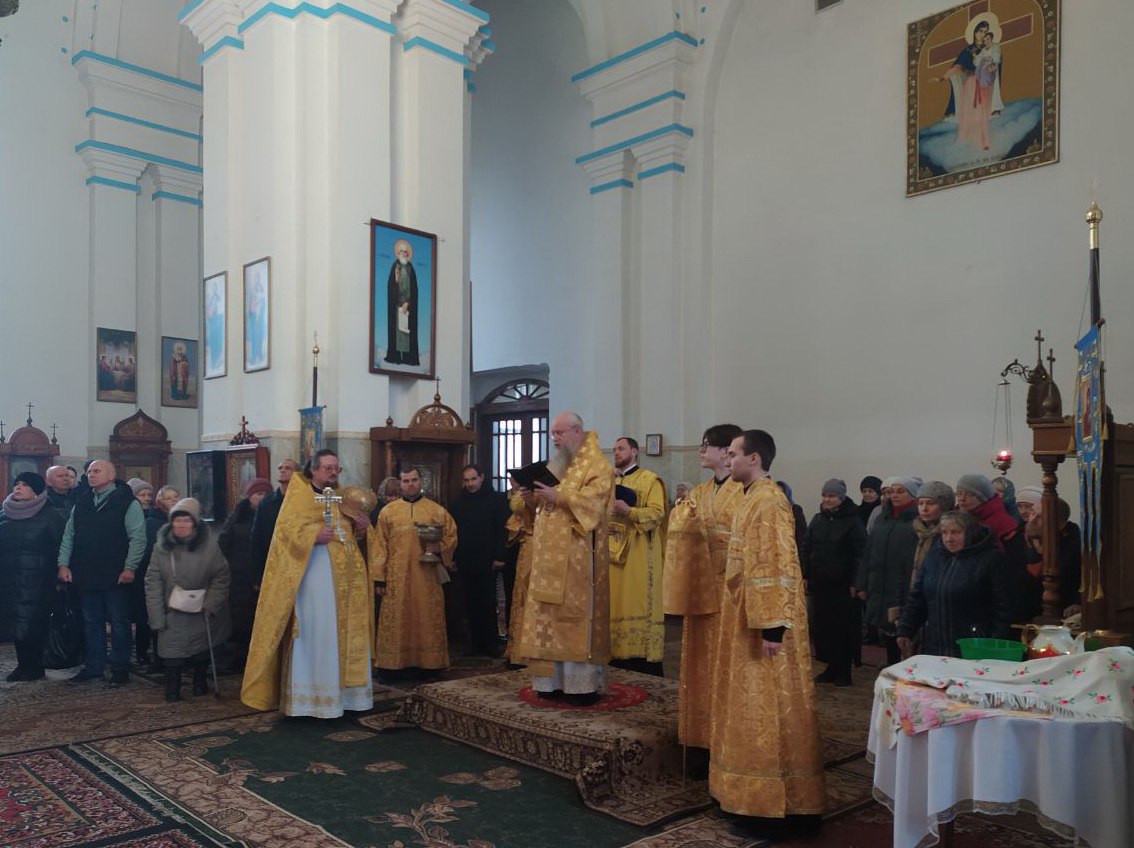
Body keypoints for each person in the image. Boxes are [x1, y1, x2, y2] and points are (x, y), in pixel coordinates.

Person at [711, 430, 824, 836]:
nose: (728, 458)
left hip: (765, 624)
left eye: (734, 452)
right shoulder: (749, 496)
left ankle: (773, 804)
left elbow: (776, 564)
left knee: (768, 708)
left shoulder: (770, 501)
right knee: (746, 708)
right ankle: (743, 795)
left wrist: (773, 627)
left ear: (754, 458)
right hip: (743, 618)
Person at [241, 450, 373, 717]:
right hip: (312, 580)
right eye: (327, 468)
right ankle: (310, 703)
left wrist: (362, 527)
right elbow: (285, 534)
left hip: (345, 583)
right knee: (316, 633)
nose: (333, 473)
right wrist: (312, 535)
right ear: (314, 470)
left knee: (341, 633)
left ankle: (345, 699)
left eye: (336, 468)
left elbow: (351, 535)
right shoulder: (298, 496)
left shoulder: (344, 497)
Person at [513, 411, 615, 705]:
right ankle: (549, 682)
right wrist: (531, 497)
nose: (554, 439)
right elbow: (542, 510)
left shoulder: (597, 465)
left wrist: (561, 497)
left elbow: (596, 505)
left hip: (578, 559)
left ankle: (579, 686)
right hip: (546, 558)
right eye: (553, 434)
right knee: (547, 620)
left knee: (573, 620)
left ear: (576, 431)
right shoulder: (559, 464)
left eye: (559, 433)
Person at [662, 423, 743, 749]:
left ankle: (729, 739)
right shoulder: (700, 492)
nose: (700, 451)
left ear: (726, 452)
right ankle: (700, 738)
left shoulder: (746, 492)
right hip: (701, 592)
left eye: (705, 445)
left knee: (729, 667)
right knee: (700, 666)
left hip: (733, 593)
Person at [56, 460, 147, 687]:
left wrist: (130, 567)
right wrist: (63, 564)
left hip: (116, 573)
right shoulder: (83, 500)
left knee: (119, 623)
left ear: (112, 474)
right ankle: (94, 666)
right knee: (91, 622)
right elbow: (69, 535)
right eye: (88, 472)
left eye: (96, 471)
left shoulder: (127, 502)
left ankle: (120, 668)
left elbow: (138, 538)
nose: (91, 475)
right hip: (86, 572)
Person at [370, 467, 457, 679]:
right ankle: (392, 666)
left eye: (414, 480)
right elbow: (379, 546)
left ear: (421, 482)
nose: (410, 484)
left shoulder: (436, 511)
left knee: (426, 616)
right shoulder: (388, 512)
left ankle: (429, 664)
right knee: (397, 618)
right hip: (396, 576)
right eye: (406, 480)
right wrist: (379, 578)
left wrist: (440, 548)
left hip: (426, 576)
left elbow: (451, 536)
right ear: (400, 483)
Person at [145, 498, 231, 701]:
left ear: (195, 522)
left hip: (201, 606)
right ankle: (172, 689)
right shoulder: (161, 548)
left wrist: (211, 603)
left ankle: (199, 683)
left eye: (186, 520)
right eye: (177, 520)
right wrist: (156, 615)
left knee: (201, 647)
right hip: (171, 607)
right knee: (172, 650)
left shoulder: (210, 547)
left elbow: (221, 576)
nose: (181, 525)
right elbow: (152, 581)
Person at [896, 510, 1012, 659]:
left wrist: (995, 643)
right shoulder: (934, 557)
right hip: (935, 644)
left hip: (974, 645)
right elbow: (918, 597)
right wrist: (905, 629)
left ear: (970, 533)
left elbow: (1003, 606)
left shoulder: (990, 559)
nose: (949, 539)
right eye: (944, 533)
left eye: (956, 532)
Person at [608, 436, 667, 676]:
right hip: (611, 554)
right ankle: (615, 659)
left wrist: (629, 511)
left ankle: (641, 661)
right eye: (614, 450)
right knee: (614, 603)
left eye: (621, 448)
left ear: (635, 451)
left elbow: (657, 514)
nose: (617, 452)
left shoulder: (650, 480)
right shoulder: (609, 481)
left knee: (636, 601)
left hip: (638, 555)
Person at [0, 472, 65, 681]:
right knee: (16, 623)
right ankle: (23, 665)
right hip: (10, 578)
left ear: (36, 490)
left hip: (39, 579)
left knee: (35, 623)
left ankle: (36, 666)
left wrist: (59, 576)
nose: (18, 488)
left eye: (24, 485)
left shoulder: (51, 515)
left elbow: (59, 547)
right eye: (16, 484)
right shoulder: (5, 515)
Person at [954, 473, 1040, 624]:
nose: (961, 498)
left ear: (982, 497)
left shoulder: (1003, 524)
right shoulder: (959, 520)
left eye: (969, 494)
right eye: (959, 493)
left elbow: (1013, 568)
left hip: (993, 595)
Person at [806, 478, 866, 688]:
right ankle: (830, 666)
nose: (827, 500)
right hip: (821, 583)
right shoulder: (817, 519)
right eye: (824, 495)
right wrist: (805, 575)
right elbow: (807, 548)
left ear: (841, 498)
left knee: (843, 628)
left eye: (831, 496)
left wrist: (856, 582)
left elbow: (861, 554)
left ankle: (844, 670)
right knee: (824, 627)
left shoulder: (852, 521)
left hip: (843, 585)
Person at [858, 476, 920, 666]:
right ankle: (891, 667)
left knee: (904, 631)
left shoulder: (917, 521)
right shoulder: (881, 519)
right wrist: (862, 583)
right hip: (880, 582)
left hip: (902, 584)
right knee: (888, 630)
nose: (895, 495)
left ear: (913, 495)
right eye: (892, 491)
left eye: (901, 491)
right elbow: (868, 552)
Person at [450, 464, 510, 658]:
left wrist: (500, 556)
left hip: (488, 560)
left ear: (482, 477)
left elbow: (503, 530)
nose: (470, 484)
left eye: (473, 479)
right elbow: (454, 533)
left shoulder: (496, 500)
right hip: (466, 559)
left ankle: (491, 643)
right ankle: (474, 643)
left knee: (487, 602)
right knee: (470, 603)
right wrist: (454, 557)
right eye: (466, 480)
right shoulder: (458, 503)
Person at [218, 477, 273, 668]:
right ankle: (238, 658)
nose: (262, 498)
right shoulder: (238, 516)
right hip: (239, 576)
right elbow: (223, 544)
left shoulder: (273, 515)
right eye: (258, 494)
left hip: (266, 575)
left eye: (266, 494)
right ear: (249, 496)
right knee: (239, 619)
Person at [248, 458, 298, 588]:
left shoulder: (302, 501)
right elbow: (257, 538)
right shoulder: (267, 503)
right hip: (273, 562)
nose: (282, 470)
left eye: (288, 468)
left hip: (296, 562)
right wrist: (257, 575)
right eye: (280, 468)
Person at [126, 477, 157, 666]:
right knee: (139, 615)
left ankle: (148, 650)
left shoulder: (153, 517)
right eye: (142, 495)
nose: (146, 498)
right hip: (135, 572)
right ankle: (140, 650)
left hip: (151, 570)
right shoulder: (128, 517)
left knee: (148, 613)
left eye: (149, 495)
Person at [384, 238, 419, 365]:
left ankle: (408, 358)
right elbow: (391, 287)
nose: (404, 254)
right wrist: (396, 280)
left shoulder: (411, 269)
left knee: (407, 332)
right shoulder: (395, 266)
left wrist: (408, 303)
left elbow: (414, 290)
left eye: (405, 252)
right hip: (397, 306)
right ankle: (396, 357)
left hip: (408, 307)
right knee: (397, 332)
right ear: (397, 253)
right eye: (401, 251)